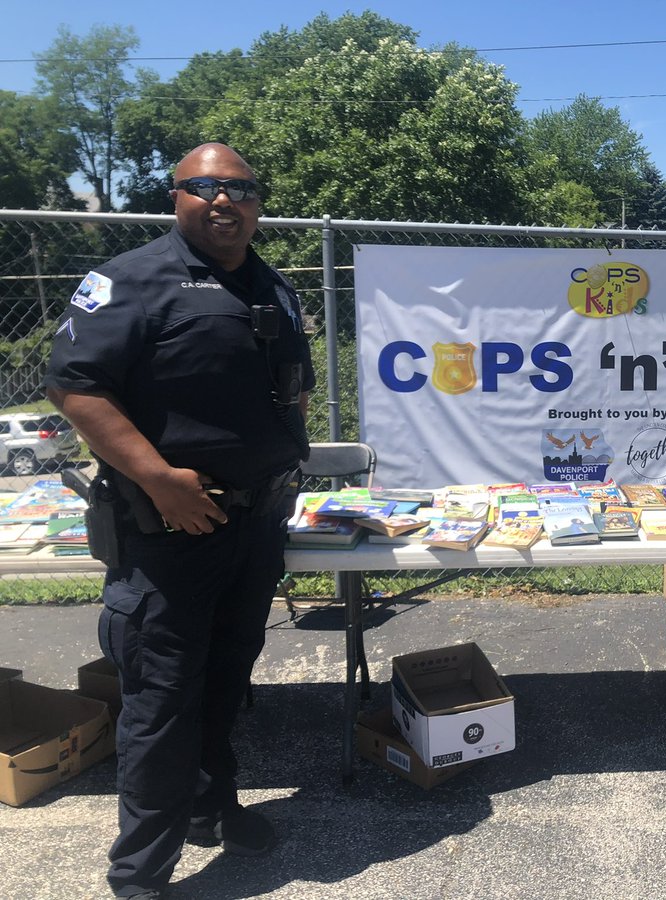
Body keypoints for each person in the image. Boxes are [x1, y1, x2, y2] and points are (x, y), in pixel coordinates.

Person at [45, 143, 314, 900]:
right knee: (162, 702)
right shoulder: (129, 280)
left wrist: (283, 463)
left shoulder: (277, 287)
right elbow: (77, 387)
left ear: (258, 204)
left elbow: (290, 388)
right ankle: (140, 877)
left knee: (227, 681)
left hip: (252, 528)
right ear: (177, 197)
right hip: (168, 533)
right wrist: (160, 479)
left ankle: (210, 805)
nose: (225, 202)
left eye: (242, 190)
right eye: (206, 187)